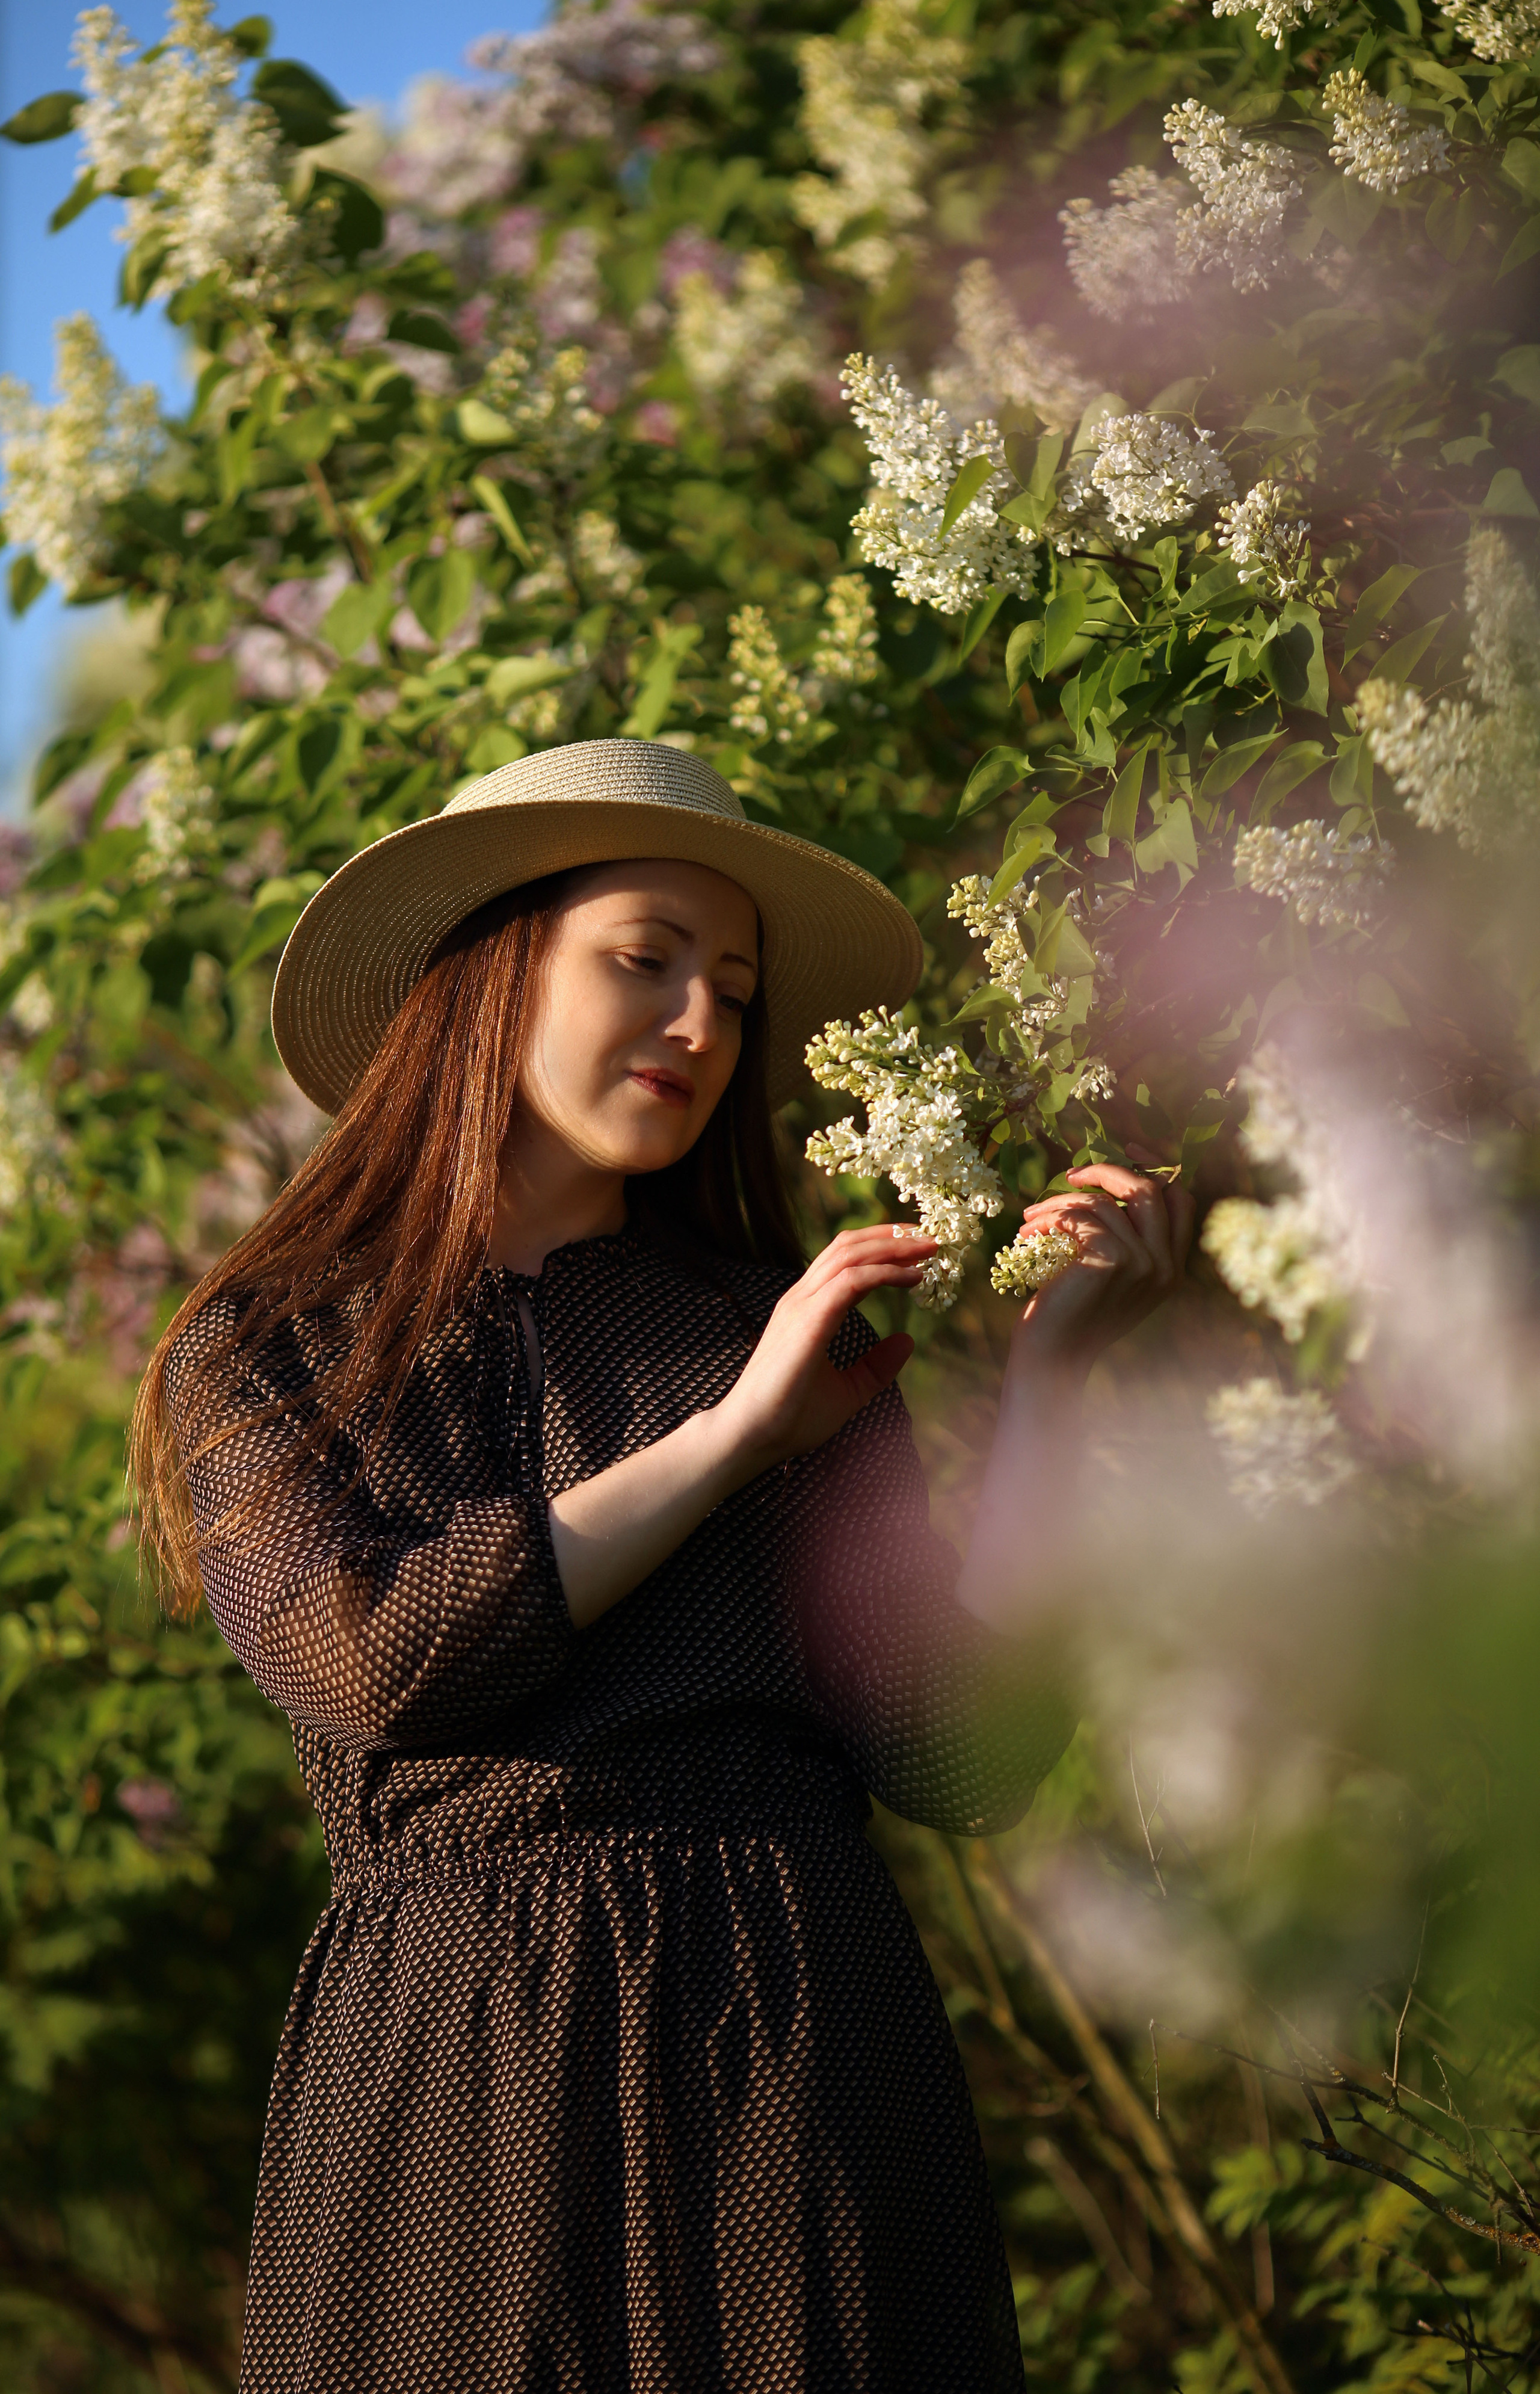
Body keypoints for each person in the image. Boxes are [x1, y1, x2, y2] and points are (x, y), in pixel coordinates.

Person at [131, 738, 1192, 2394]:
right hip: (452, 2062)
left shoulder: (769, 1336)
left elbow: (964, 1749)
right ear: (491, 972)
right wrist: (729, 1442)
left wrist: (1060, 1376)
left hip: (791, 2047)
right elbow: (372, 1665)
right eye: (645, 958)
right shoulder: (267, 1349)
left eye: (735, 986)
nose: (701, 1022)